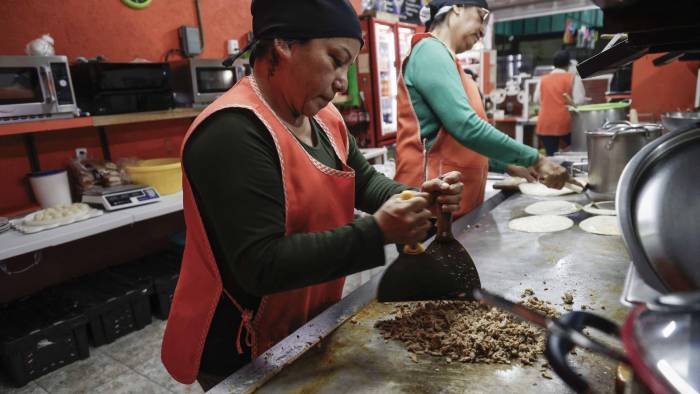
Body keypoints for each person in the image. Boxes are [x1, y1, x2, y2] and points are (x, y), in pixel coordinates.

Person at [160, 0, 464, 390]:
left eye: (348, 66)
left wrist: (418, 199)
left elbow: (364, 182)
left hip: (301, 320)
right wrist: (378, 232)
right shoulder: (232, 132)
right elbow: (260, 265)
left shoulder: (323, 118)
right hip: (240, 344)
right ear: (284, 44)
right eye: (336, 60)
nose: (343, 82)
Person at [396, 0, 569, 217]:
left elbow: (461, 145)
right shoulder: (429, 50)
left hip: (453, 205)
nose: (483, 30)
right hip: (428, 207)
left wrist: (506, 164)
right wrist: (535, 159)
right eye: (481, 15)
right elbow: (466, 127)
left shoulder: (455, 67)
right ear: (457, 7)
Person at [535, 49, 587, 156]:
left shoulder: (543, 79)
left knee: (551, 156)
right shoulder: (572, 78)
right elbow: (579, 101)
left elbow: (536, 100)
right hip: (565, 123)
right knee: (576, 152)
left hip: (545, 123)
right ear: (568, 64)